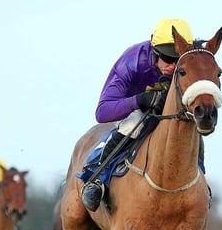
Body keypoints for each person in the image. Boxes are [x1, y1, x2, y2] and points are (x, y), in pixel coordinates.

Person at [80, 18, 194, 212]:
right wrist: (138, 100)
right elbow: (102, 111)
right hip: (136, 112)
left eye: (178, 60)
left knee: (190, 124)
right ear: (154, 51)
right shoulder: (132, 62)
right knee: (135, 121)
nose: (173, 66)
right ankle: (97, 178)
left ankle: (200, 181)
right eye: (167, 58)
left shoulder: (191, 60)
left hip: (171, 115)